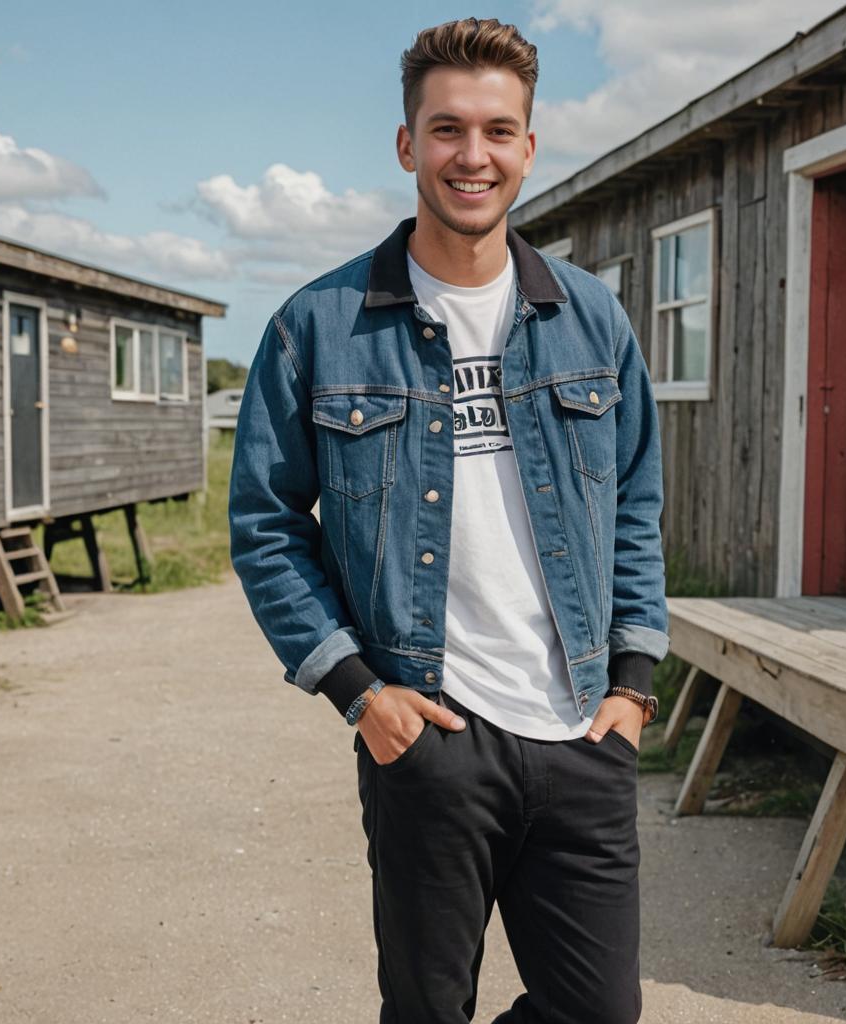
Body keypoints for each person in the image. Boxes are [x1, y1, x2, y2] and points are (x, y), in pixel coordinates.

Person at [229, 17, 669, 1024]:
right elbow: (263, 521)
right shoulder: (317, 324)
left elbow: (636, 501)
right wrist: (356, 690)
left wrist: (634, 686)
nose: (473, 155)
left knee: (599, 1009)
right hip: (428, 731)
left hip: (579, 729)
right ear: (406, 146)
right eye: (447, 129)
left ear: (526, 146)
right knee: (426, 1010)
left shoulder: (592, 317)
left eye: (498, 131)